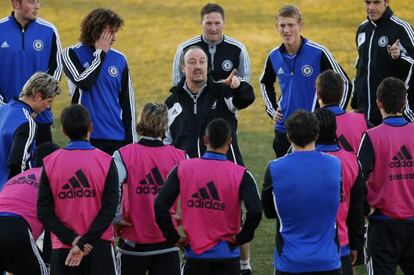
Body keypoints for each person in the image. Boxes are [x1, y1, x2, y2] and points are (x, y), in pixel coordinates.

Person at [155, 118, 262, 275]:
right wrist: (240, 239)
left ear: (205, 140)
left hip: (195, 258)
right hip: (228, 259)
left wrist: (173, 237)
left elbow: (159, 205)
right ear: (230, 141)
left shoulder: (183, 168)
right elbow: (256, 211)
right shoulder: (241, 174)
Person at [260, 4, 351, 158]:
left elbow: (346, 83)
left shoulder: (318, 52)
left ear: (300, 26)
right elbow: (265, 82)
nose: (286, 30)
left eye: (291, 25)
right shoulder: (273, 56)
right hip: (284, 130)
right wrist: (271, 109)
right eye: (282, 25)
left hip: (312, 130)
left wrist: (332, 117)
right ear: (277, 27)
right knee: (286, 179)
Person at [37, 104, 119, 275]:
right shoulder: (106, 161)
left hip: (64, 248)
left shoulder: (50, 162)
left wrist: (73, 240)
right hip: (98, 246)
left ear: (65, 131)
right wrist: (84, 242)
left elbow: (44, 211)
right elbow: (110, 209)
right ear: (91, 127)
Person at [262, 110, 342, 274]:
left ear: (289, 137)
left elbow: (269, 211)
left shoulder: (274, 168)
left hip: (290, 263)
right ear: (317, 135)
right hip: (328, 261)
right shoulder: (335, 165)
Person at [113, 102, 186, 275]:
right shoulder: (181, 156)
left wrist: (115, 217)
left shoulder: (123, 154)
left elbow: (111, 187)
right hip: (168, 243)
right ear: (165, 125)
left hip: (133, 242)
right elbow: (193, 192)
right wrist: (184, 216)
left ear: (140, 122)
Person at [358, 77, 414, 275]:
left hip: (383, 225)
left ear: (378, 103)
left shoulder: (372, 137)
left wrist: (365, 207)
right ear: (405, 102)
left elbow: (357, 178)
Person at [62, 8, 137, 155]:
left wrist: (131, 142)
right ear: (96, 32)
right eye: (110, 33)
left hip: (116, 138)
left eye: (115, 32)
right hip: (84, 138)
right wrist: (100, 55)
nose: (114, 38)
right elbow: (84, 82)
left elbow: (128, 103)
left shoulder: (120, 59)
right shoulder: (71, 54)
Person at [165, 46, 254, 165]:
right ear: (183, 68)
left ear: (207, 66)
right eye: (192, 62)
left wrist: (238, 87)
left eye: (202, 62)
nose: (197, 66)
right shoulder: (171, 103)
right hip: (188, 176)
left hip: (224, 173)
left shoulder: (222, 92)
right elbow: (165, 145)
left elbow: (245, 99)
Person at [0, 0, 62, 145]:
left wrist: (38, 105)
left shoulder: (49, 31)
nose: (37, 6)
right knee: (9, 165)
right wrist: (5, 108)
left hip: (40, 117)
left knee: (40, 166)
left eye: (38, 1)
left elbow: (56, 69)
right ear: (16, 4)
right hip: (5, 118)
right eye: (31, 2)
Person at [314, 108, 365, 275]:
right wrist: (356, 244)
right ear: (335, 129)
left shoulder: (301, 159)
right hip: (341, 246)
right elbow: (356, 210)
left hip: (307, 248)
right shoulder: (351, 161)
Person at [0, 142, 60, 275]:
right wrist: (49, 262)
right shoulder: (52, 179)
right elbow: (52, 225)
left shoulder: (16, 178)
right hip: (16, 227)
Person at [352, 0, 414, 126]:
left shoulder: (401, 29)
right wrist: (355, 104)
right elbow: (360, 69)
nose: (371, 7)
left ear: (386, 2)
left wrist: (399, 56)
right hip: (363, 115)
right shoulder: (362, 29)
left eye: (376, 2)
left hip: (392, 116)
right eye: (368, 2)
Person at [0, 72, 61, 188]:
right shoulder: (27, 122)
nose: (48, 107)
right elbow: (17, 163)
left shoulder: (3, 109)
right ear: (37, 96)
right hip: (9, 194)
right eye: (49, 101)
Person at [172, 3, 250, 85]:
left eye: (217, 23)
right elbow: (177, 83)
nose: (213, 28)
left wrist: (236, 85)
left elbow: (244, 83)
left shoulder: (238, 49)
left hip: (228, 97)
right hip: (194, 97)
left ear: (224, 23)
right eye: (208, 23)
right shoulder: (185, 49)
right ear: (201, 23)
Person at [316, 70, 370, 153]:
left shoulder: (310, 124)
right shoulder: (361, 121)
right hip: (355, 165)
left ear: (318, 95)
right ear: (341, 95)